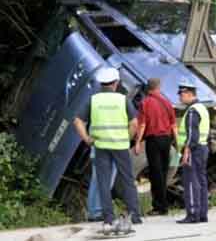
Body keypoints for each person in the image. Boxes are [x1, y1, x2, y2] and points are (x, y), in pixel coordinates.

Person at [73, 66, 142, 232]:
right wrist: (127, 137)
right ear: (116, 83)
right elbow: (134, 124)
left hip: (101, 146)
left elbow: (77, 121)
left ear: (101, 84)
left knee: (103, 182)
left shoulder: (93, 100)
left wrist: (87, 139)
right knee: (127, 179)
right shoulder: (123, 100)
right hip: (120, 146)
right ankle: (134, 215)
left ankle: (108, 217)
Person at [135, 78, 177, 216]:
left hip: (153, 140)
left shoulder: (145, 103)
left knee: (155, 173)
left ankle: (160, 206)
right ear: (159, 87)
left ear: (148, 88)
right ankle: (163, 204)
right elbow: (173, 125)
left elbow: (142, 125)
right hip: (166, 140)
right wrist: (178, 143)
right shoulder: (167, 102)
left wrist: (137, 142)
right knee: (163, 172)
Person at [176, 79, 210, 224]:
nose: (180, 97)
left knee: (191, 182)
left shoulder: (192, 111)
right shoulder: (202, 107)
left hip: (193, 150)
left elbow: (192, 134)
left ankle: (192, 214)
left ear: (189, 94)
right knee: (201, 181)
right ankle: (202, 214)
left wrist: (186, 152)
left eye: (181, 94)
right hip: (202, 148)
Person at [87, 147, 117, 222]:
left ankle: (94, 212)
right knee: (104, 182)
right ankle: (97, 212)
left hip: (99, 150)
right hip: (107, 150)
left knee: (96, 182)